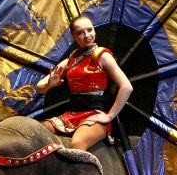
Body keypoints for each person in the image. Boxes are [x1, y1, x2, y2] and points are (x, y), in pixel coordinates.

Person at [37, 14, 133, 151]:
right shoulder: (72, 58)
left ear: (94, 31)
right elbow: (39, 87)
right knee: (36, 131)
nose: (87, 35)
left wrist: (109, 116)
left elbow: (127, 87)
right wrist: (50, 85)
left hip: (95, 116)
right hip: (71, 115)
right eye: (80, 33)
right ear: (73, 36)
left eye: (89, 30)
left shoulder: (102, 55)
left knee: (77, 144)